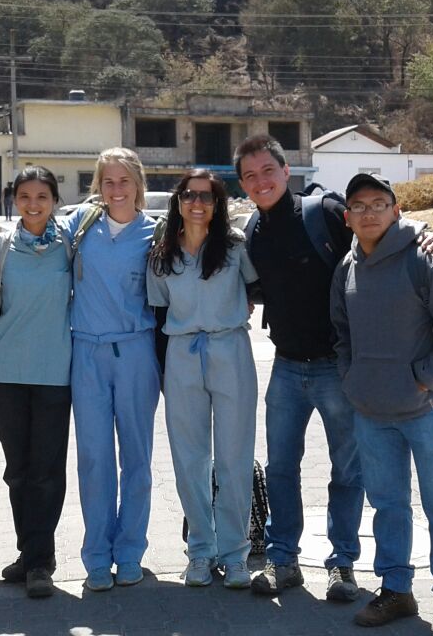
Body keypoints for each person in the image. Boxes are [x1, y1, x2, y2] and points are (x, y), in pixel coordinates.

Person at [235, 134, 433, 601]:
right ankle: (283, 559)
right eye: (250, 176)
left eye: (268, 170)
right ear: (243, 184)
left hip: (336, 370)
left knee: (347, 472)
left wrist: (423, 231)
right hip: (285, 368)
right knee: (282, 467)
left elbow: (380, 238)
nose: (260, 181)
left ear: (287, 172)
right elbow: (262, 283)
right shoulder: (253, 233)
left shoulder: (322, 213)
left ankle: (342, 564)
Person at [331, 173, 433, 636]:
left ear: (396, 211)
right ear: (347, 217)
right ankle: (396, 591)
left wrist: (426, 378)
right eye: (359, 205)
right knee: (388, 506)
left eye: (379, 203)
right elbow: (342, 335)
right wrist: (353, 379)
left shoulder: (424, 261)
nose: (369, 212)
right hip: (371, 413)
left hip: (427, 411)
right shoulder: (346, 269)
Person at [147, 169, 259, 590]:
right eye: (190, 195)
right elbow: (158, 307)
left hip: (230, 349)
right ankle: (200, 549)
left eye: (207, 197)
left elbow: (254, 288)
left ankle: (235, 554)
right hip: (182, 354)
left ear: (218, 204)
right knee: (189, 458)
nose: (197, 203)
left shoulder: (234, 247)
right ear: (178, 201)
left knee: (233, 456)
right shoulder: (162, 255)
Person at [65, 148, 162, 592]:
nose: (116, 189)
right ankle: (97, 556)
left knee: (137, 458)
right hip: (86, 352)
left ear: (138, 184)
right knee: (94, 459)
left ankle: (130, 552)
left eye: (124, 181)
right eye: (108, 181)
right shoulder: (79, 227)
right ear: (98, 186)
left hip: (137, 351)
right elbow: (31, 231)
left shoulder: (157, 233)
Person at [0, 165, 74, 599]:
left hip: (56, 373)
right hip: (5, 373)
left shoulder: (73, 244)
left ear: (55, 200)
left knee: (47, 471)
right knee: (18, 470)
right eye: (24, 197)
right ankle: (30, 554)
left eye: (42, 196)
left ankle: (41, 561)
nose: (33, 205)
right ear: (13, 200)